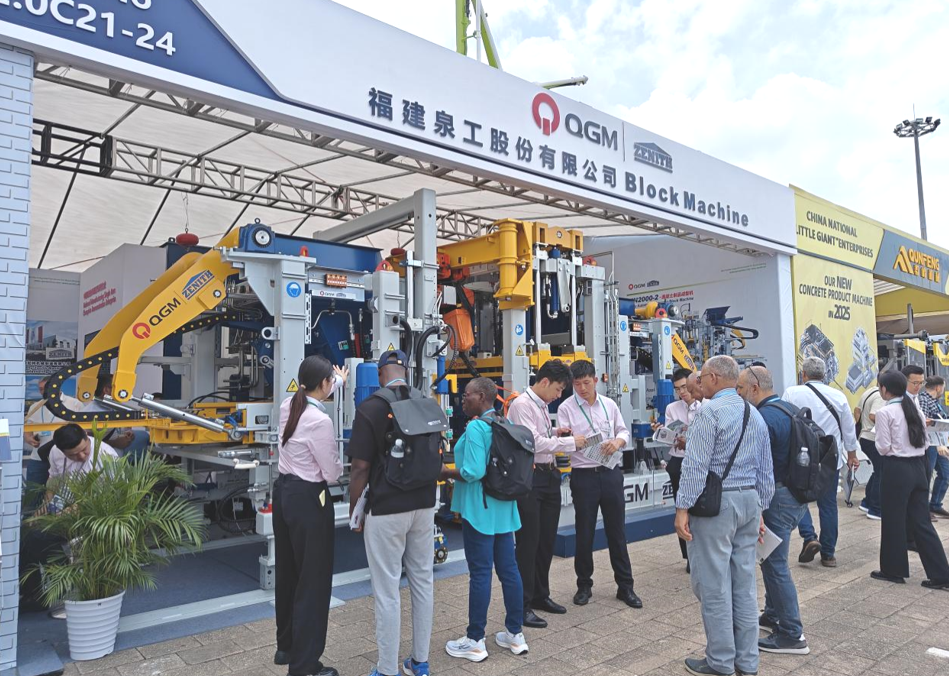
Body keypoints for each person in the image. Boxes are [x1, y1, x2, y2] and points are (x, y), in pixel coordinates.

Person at [675, 355, 774, 676]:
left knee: (714, 585)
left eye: (701, 378)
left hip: (717, 506)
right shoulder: (754, 414)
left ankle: (720, 661)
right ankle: (747, 662)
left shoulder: (709, 413)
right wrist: (760, 509)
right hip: (749, 502)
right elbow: (766, 469)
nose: (698, 383)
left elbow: (695, 466)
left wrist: (682, 508)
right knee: (744, 586)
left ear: (714, 378)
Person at [348, 350, 437, 676]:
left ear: (380, 374)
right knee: (423, 581)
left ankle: (387, 669)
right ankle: (420, 662)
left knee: (387, 590)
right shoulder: (427, 402)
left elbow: (360, 468)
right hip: (425, 504)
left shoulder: (370, 408)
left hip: (386, 508)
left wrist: (355, 511)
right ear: (406, 372)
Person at [442, 378, 528, 663]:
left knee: (480, 573)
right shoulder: (504, 423)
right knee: (509, 571)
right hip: (504, 508)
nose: (462, 399)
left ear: (481, 396)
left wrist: (445, 472)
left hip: (480, 509)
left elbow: (473, 471)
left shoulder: (477, 427)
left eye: (467, 394)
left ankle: (475, 640)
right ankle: (515, 634)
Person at [272, 356, 346, 676]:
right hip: (309, 499)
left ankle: (286, 647)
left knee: (288, 573)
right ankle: (304, 667)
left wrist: (338, 379)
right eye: (330, 380)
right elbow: (331, 472)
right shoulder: (320, 421)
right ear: (323, 384)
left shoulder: (288, 405)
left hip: (283, 494)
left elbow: (318, 389)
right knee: (312, 582)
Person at [737, 366, 810, 656]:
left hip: (776, 499)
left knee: (774, 564)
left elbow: (757, 465)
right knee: (772, 558)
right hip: (795, 495)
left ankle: (792, 634)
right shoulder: (789, 409)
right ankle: (772, 613)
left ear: (754, 387)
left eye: (741, 388)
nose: (739, 394)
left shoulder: (762, 418)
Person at [507, 359, 585, 629]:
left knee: (545, 542)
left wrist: (555, 431)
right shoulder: (522, 405)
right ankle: (522, 606)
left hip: (548, 476)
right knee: (528, 544)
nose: (559, 395)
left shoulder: (540, 405)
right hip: (531, 479)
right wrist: (569, 442)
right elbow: (533, 442)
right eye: (558, 389)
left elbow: (540, 434)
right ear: (544, 382)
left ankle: (541, 595)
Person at [556, 360, 641, 608]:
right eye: (577, 384)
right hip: (583, 476)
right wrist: (574, 441)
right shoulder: (566, 408)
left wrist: (618, 442)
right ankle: (584, 586)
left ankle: (625, 587)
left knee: (617, 532)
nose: (582, 389)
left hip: (611, 473)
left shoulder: (609, 405)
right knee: (584, 532)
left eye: (586, 383)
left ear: (595, 380)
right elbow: (563, 442)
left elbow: (623, 431)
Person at [870, 370, 949, 590]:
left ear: (884, 389)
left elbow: (883, 447)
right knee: (922, 522)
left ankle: (893, 570)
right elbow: (925, 442)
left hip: (897, 468)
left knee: (893, 520)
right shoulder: (915, 408)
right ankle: (941, 575)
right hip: (919, 467)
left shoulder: (885, 412)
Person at [783, 357, 859, 568]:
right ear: (824, 375)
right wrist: (852, 455)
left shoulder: (792, 393)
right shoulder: (838, 396)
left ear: (804, 374)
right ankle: (828, 554)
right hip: (828, 459)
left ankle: (809, 536)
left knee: (799, 499)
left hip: (800, 457)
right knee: (828, 505)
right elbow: (849, 429)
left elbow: (786, 422)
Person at [659, 367, 702, 568]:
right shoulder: (672, 408)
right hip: (679, 460)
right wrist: (664, 433)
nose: (682, 392)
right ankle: (688, 557)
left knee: (700, 508)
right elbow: (671, 437)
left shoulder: (705, 404)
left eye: (684, 387)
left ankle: (702, 551)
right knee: (681, 508)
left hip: (699, 460)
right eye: (677, 389)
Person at [918, 376, 949, 520]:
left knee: (945, 473)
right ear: (938, 387)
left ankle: (935, 504)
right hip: (930, 444)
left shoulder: (934, 401)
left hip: (938, 443)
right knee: (926, 475)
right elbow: (923, 423)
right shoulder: (923, 400)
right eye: (944, 387)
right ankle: (923, 508)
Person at [855, 382, 885, 520]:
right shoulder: (880, 396)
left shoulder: (869, 391)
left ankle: (867, 503)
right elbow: (873, 415)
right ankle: (876, 509)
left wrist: (862, 426)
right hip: (873, 438)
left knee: (878, 471)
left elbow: (857, 410)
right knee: (881, 473)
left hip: (865, 437)